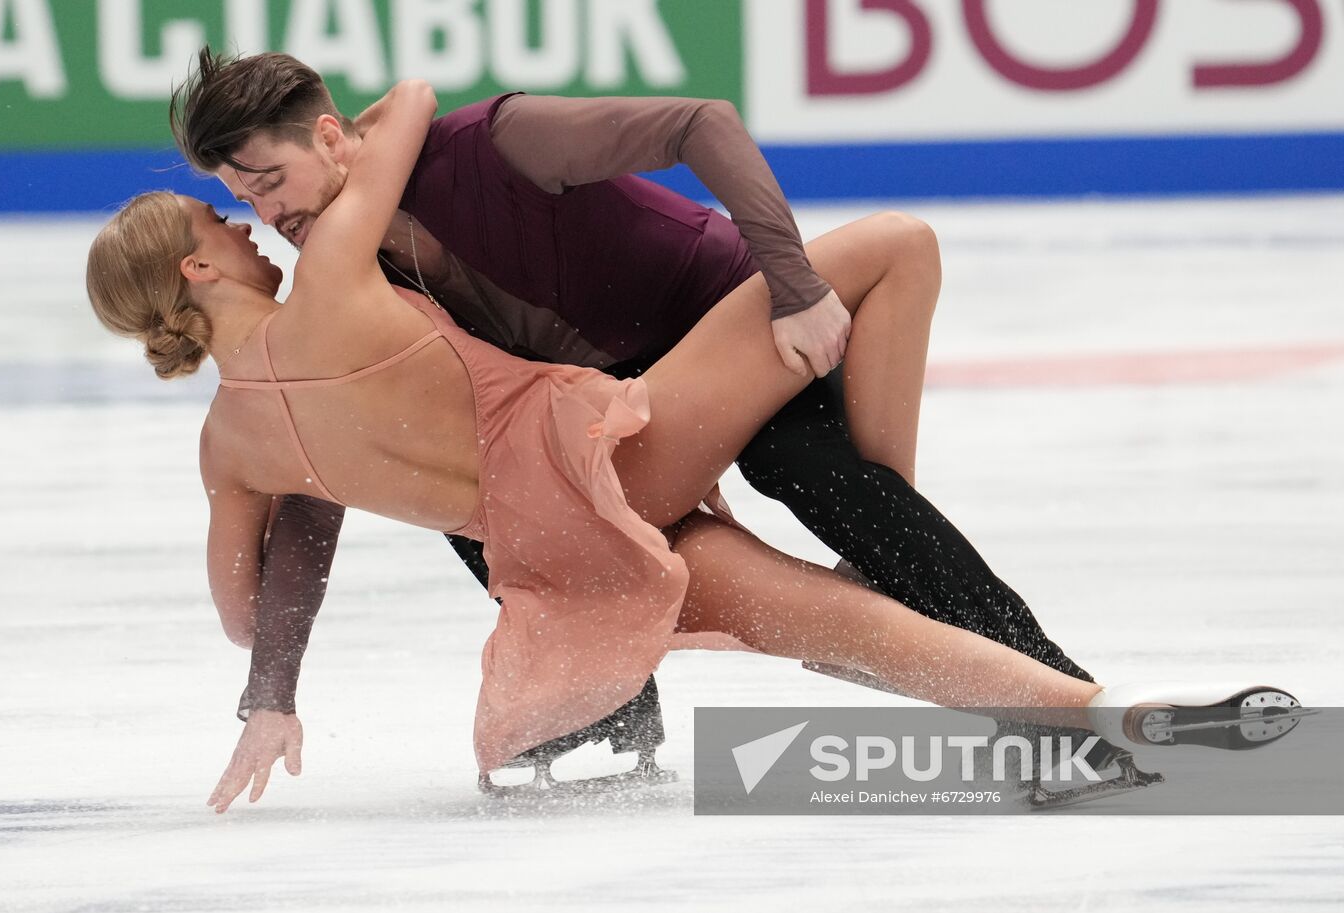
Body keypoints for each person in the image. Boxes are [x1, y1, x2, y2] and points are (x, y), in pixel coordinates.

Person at [88, 79, 1298, 814]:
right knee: (885, 242)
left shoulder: (232, 444)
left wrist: (268, 694)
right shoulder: (336, 278)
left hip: (544, 570)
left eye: (247, 193)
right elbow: (402, 111)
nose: (253, 220)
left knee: (846, 601)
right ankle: (1107, 721)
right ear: (199, 267)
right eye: (224, 211)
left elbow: (252, 603)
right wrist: (338, 143)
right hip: (603, 466)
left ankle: (1062, 705)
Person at [166, 50, 1093, 762]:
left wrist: (796, 282)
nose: (265, 213)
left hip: (729, 320)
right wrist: (271, 688)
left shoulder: (498, 142)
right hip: (616, 410)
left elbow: (702, 121)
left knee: (806, 468)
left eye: (269, 181)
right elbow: (318, 474)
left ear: (330, 137)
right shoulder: (345, 267)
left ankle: (1043, 671)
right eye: (239, 196)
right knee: (483, 503)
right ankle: (607, 712)